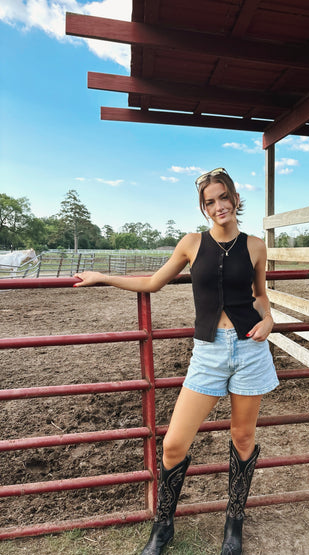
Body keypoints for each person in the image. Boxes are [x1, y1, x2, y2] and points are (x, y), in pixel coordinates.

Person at [74, 168, 279, 555]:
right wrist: (102, 276)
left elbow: (261, 295)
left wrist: (269, 319)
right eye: (210, 202)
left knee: (243, 437)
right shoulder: (191, 244)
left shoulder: (255, 246)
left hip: (250, 349)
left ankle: (233, 526)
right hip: (209, 352)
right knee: (173, 444)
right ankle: (163, 528)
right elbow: (153, 282)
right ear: (203, 208)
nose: (218, 206)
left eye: (223, 197)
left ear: (235, 198)